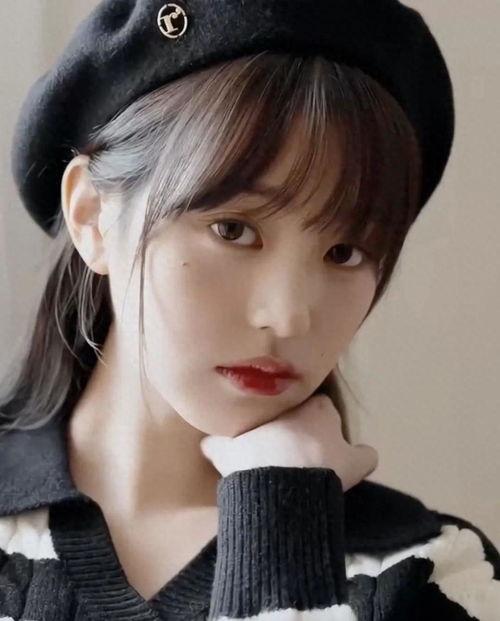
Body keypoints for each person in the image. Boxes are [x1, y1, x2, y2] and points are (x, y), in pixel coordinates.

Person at [0, 1, 498, 619]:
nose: (288, 318)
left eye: (344, 252)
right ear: (93, 216)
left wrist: (281, 519)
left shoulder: (436, 573)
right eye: (233, 230)